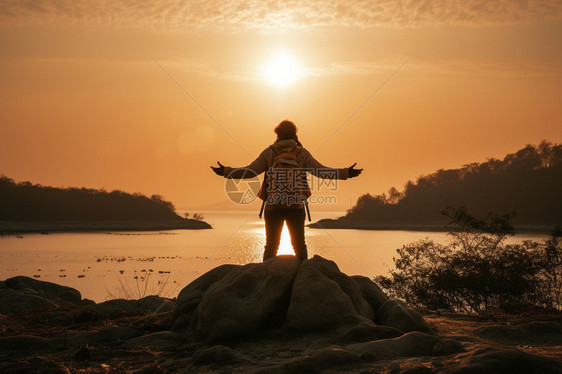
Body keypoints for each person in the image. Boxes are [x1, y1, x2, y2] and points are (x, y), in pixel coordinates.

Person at [211, 120, 362, 262]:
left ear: (277, 134)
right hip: (296, 206)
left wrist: (226, 171)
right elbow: (321, 171)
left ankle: (267, 280)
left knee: (271, 246)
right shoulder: (302, 153)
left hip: (273, 206)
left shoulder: (269, 152)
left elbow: (250, 171)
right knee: (299, 246)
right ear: (295, 134)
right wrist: (346, 173)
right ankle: (302, 279)